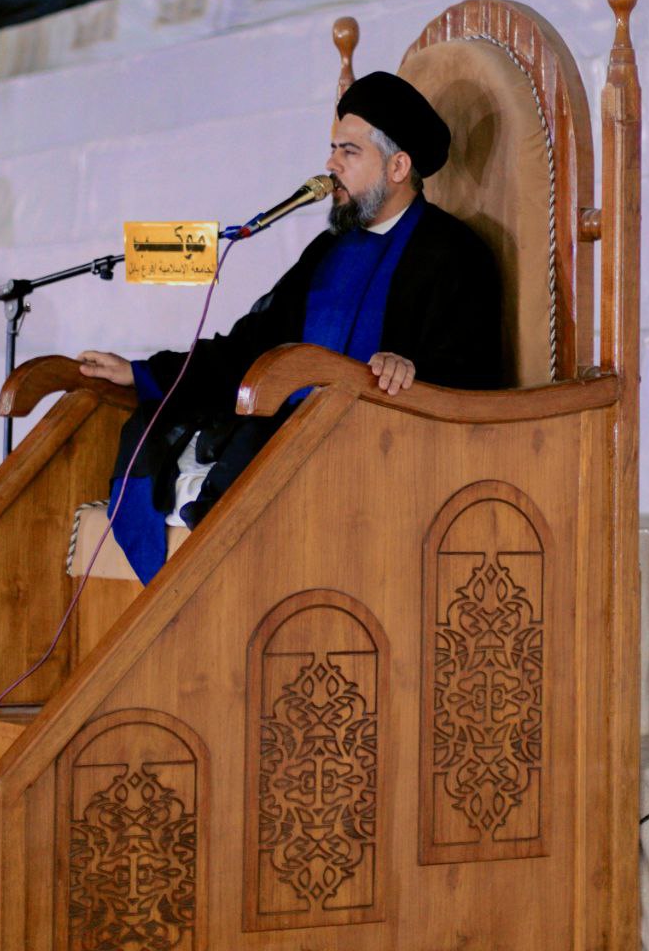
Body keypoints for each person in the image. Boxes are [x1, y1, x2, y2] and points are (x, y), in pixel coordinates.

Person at [78, 70, 501, 583]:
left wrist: (411, 369)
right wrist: (143, 372)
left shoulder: (455, 254)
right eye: (332, 149)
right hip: (291, 438)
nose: (330, 165)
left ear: (398, 166)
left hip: (379, 454)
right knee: (153, 423)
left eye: (348, 151)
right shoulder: (326, 251)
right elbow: (251, 346)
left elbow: (473, 377)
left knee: (257, 455)